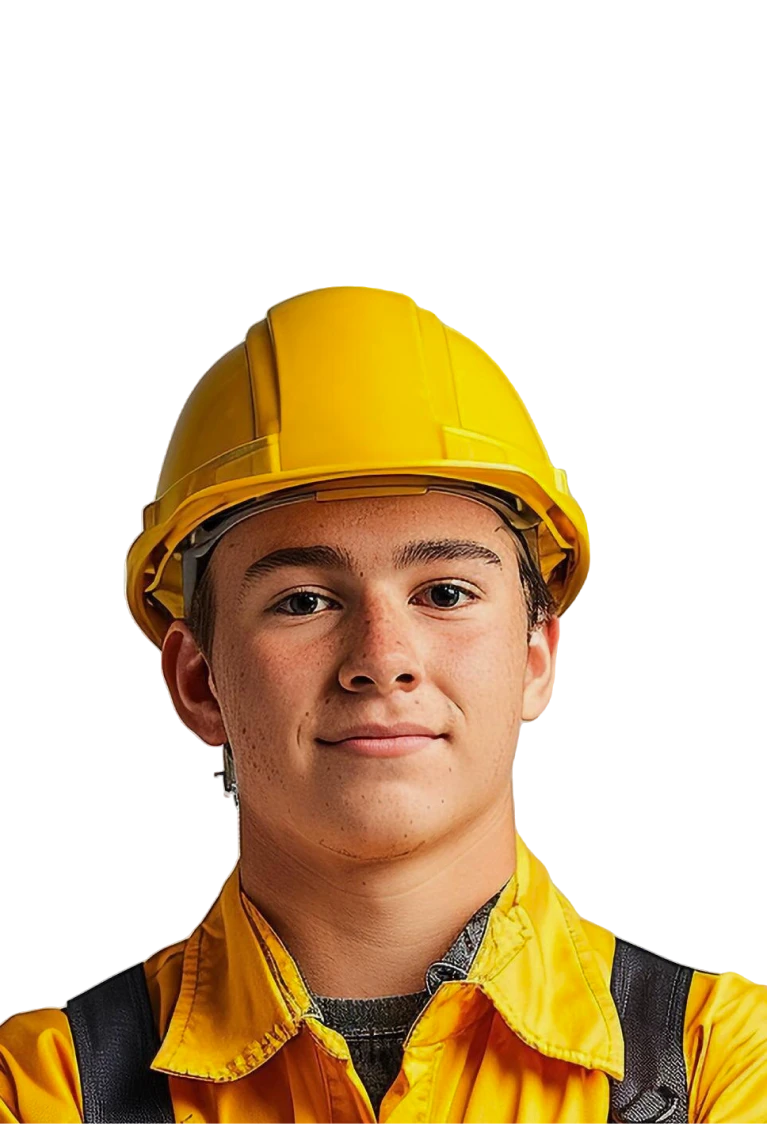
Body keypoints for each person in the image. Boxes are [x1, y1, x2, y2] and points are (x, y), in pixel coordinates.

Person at [1, 284, 764, 1122]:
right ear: (197, 682)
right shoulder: (45, 1088)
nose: (382, 660)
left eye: (444, 593)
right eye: (302, 601)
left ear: (535, 659)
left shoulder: (722, 1061)